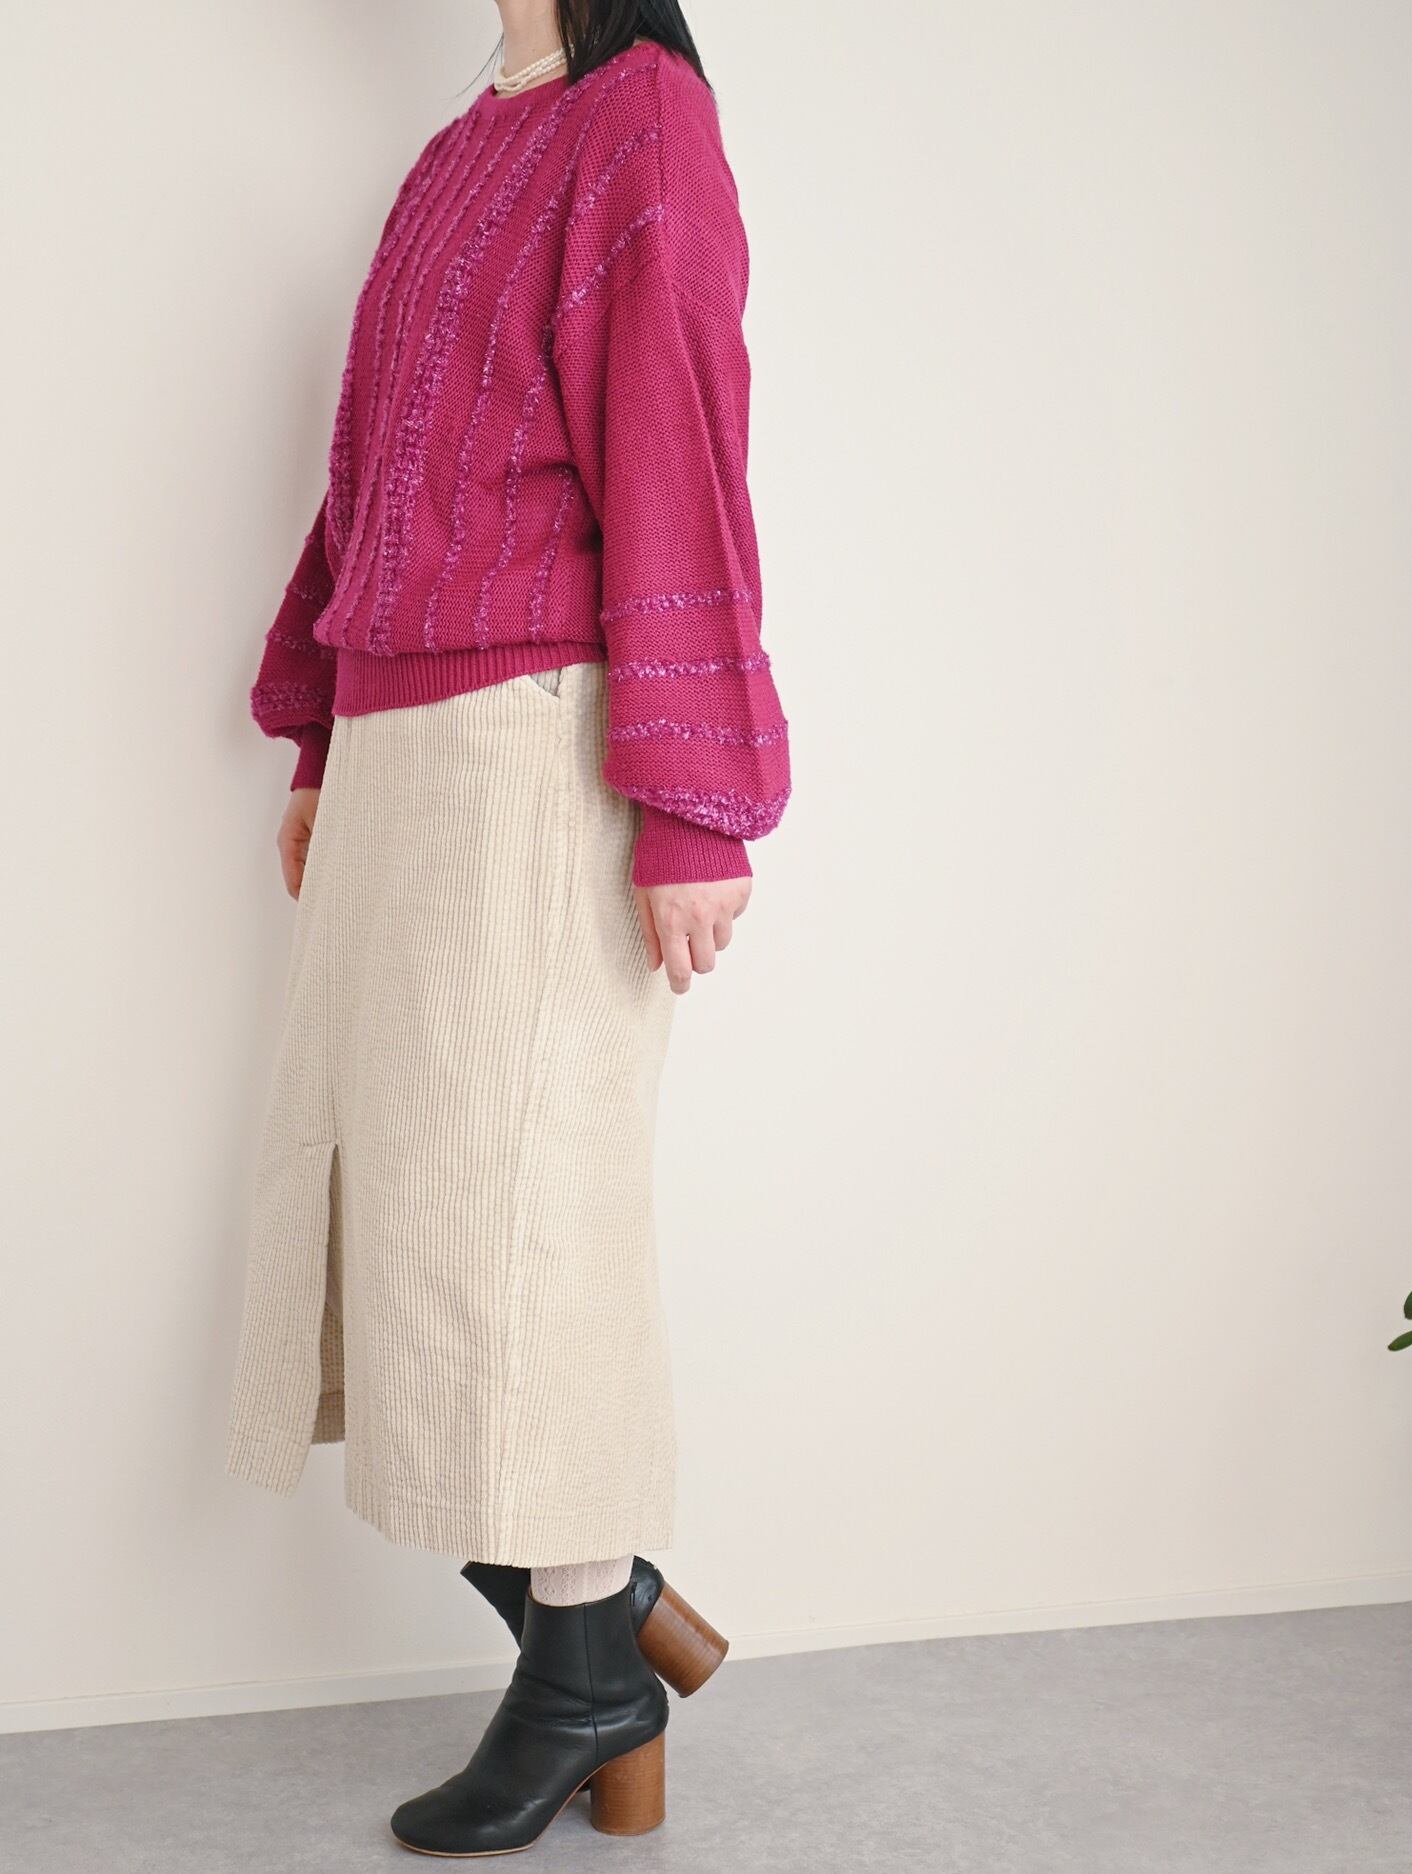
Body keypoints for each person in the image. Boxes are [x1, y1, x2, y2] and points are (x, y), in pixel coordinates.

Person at [223, 0, 789, 1853]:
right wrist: (321, 734)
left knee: (524, 1225)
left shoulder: (642, 123)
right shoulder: (465, 145)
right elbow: (369, 478)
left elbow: (681, 445)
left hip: (535, 749)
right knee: (404, 1229)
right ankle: (607, 1622)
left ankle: (585, 1671)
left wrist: (693, 800)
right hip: (406, 753)